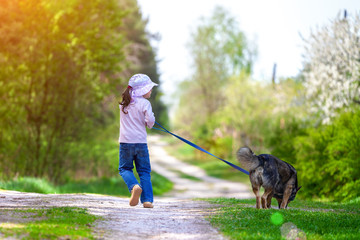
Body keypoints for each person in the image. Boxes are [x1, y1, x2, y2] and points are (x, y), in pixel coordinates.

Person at [118, 73, 158, 208]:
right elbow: (150, 122)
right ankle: (147, 200)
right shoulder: (145, 103)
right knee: (144, 171)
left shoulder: (124, 104)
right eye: (149, 88)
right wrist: (149, 123)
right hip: (140, 143)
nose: (151, 90)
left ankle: (134, 186)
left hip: (125, 143)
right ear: (142, 90)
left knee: (125, 169)